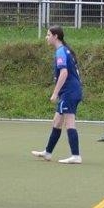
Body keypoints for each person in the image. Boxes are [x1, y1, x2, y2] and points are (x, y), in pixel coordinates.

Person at [31, 25, 83, 164]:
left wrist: (55, 93)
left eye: (48, 35)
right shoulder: (65, 50)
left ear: (55, 36)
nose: (46, 37)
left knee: (69, 122)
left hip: (70, 92)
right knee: (57, 121)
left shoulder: (61, 51)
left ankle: (76, 156)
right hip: (70, 91)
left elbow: (64, 73)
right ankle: (48, 152)